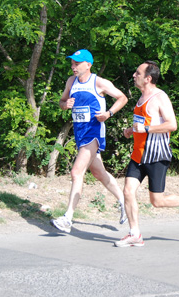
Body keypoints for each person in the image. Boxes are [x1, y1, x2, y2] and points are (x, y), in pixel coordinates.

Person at [114, 60, 179, 247]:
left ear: (148, 78)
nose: (134, 75)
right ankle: (135, 234)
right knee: (128, 191)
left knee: (157, 201)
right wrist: (131, 130)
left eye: (137, 73)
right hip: (138, 155)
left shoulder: (159, 97)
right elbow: (142, 123)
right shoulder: (140, 99)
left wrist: (145, 128)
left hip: (156, 156)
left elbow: (172, 125)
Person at [51, 49, 129, 233]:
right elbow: (62, 102)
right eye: (72, 63)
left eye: (77, 63)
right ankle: (124, 201)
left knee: (76, 172)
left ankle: (68, 218)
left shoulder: (99, 82)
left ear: (88, 65)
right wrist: (65, 105)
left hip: (94, 134)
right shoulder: (71, 82)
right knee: (98, 173)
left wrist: (108, 113)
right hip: (80, 134)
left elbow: (123, 97)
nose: (73, 67)